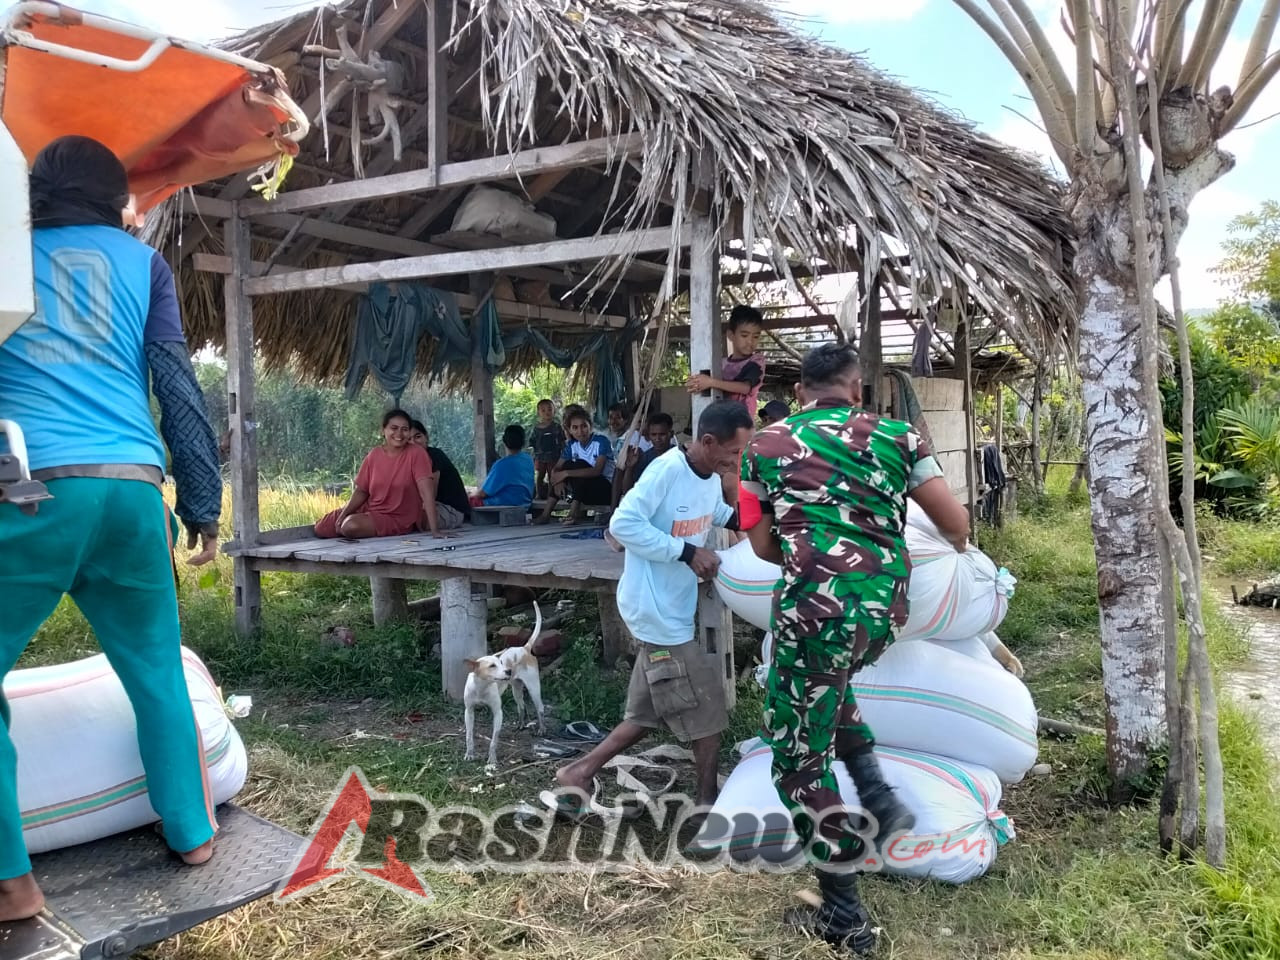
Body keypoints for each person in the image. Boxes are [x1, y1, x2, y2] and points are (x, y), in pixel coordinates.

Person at [0, 136, 223, 919]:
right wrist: (203, 503)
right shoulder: (144, 266)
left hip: (27, 491)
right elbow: (176, 386)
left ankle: (11, 883)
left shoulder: (6, 253)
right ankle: (194, 832)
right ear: (109, 199)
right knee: (156, 669)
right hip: (133, 489)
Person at [741, 342, 970, 954]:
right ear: (857, 390)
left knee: (797, 762)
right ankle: (878, 794)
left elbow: (762, 547)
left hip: (814, 613)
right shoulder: (900, 436)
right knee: (830, 686)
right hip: (884, 611)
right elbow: (956, 526)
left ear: (799, 392)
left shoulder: (762, 446)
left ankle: (844, 919)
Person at [546, 400, 754, 816]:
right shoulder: (665, 471)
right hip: (655, 610)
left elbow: (715, 514)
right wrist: (686, 552)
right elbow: (622, 526)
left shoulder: (709, 476)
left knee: (644, 713)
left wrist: (754, 521)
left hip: (672, 605)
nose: (737, 461)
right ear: (707, 441)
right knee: (707, 706)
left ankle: (579, 772)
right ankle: (707, 802)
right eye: (733, 453)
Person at [315, 410, 457, 539]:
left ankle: (362, 523)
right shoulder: (374, 455)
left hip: (397, 517)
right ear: (383, 430)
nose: (399, 434)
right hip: (371, 509)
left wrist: (435, 531)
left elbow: (427, 493)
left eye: (404, 429)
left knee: (350, 526)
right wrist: (344, 513)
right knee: (321, 528)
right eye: (394, 428)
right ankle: (360, 520)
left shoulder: (417, 454)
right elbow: (361, 491)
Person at [533, 410, 615, 525]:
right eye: (575, 428)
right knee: (568, 465)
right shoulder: (572, 446)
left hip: (604, 490)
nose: (580, 431)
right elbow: (556, 469)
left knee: (577, 465)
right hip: (582, 492)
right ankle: (546, 514)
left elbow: (596, 471)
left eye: (584, 426)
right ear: (570, 430)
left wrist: (566, 474)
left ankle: (572, 513)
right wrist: (558, 482)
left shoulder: (601, 442)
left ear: (590, 426)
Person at [685, 305, 766, 419]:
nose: (750, 341)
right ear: (731, 335)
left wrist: (711, 382)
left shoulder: (756, 361)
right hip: (720, 422)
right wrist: (696, 383)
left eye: (756, 337)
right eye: (744, 335)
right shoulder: (721, 364)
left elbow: (745, 388)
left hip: (742, 424)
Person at [411, 420, 472, 527]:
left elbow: (430, 495)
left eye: (418, 436)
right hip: (429, 507)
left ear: (426, 437)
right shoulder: (407, 461)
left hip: (450, 510)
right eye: (408, 440)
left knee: (410, 518)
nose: (413, 442)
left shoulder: (435, 455)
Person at [471, 425, 535, 508]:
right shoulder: (528, 460)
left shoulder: (501, 464)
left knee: (469, 500)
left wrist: (470, 494)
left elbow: (483, 493)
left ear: (504, 441)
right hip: (525, 504)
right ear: (523, 442)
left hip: (503, 504)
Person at [528, 399, 565, 500]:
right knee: (540, 476)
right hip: (540, 457)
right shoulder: (536, 428)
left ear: (554, 411)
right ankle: (539, 494)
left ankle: (551, 496)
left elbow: (562, 441)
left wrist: (563, 453)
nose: (547, 412)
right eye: (543, 410)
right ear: (538, 413)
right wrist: (533, 453)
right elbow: (532, 442)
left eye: (549, 409)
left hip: (554, 456)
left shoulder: (557, 427)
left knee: (551, 475)